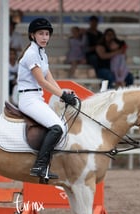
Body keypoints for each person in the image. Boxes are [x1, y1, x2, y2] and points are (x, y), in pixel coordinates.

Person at [17, 18, 77, 180]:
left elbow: (49, 78)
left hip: (37, 98)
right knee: (57, 127)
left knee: (60, 127)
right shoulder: (31, 53)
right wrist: (62, 95)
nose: (44, 37)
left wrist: (63, 93)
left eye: (46, 34)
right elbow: (41, 81)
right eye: (41, 34)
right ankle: (39, 165)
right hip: (28, 99)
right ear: (32, 35)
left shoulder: (42, 54)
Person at [82, 15, 103, 80]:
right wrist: (95, 47)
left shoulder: (100, 34)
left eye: (95, 22)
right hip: (90, 55)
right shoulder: (86, 34)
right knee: (95, 59)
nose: (94, 24)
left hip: (101, 54)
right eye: (92, 22)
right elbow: (84, 48)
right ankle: (100, 76)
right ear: (90, 23)